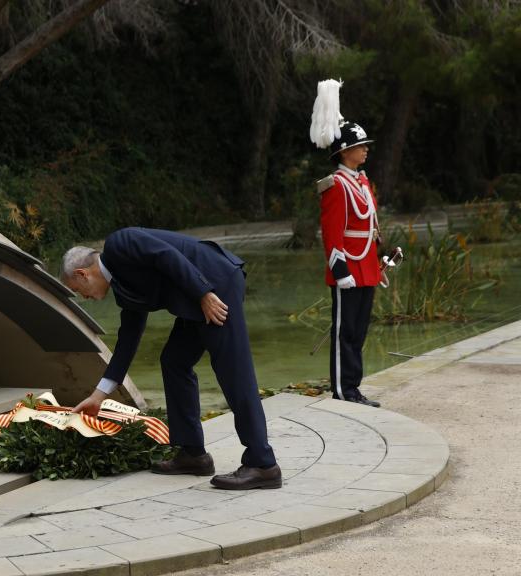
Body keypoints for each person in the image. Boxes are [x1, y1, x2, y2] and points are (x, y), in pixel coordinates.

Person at [63, 228, 281, 490]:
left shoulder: (121, 243)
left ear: (82, 274)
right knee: (174, 361)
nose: (85, 298)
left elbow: (167, 256)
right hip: (196, 301)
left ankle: (263, 464)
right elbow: (128, 341)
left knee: (234, 371)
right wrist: (99, 396)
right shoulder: (122, 288)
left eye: (79, 291)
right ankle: (193, 455)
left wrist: (204, 293)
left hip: (215, 286)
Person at [310, 79, 382, 408]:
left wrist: (381, 257)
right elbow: (332, 230)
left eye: (366, 145)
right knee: (345, 334)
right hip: (347, 267)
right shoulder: (336, 185)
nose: (366, 149)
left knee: (359, 333)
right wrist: (340, 269)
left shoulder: (363, 181)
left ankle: (354, 387)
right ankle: (342, 390)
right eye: (361, 145)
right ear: (344, 151)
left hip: (365, 265)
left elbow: (369, 224)